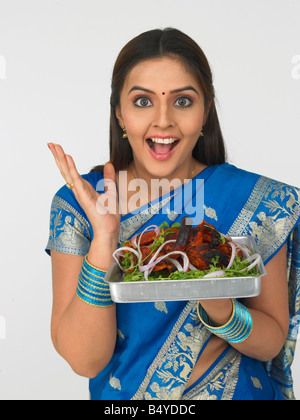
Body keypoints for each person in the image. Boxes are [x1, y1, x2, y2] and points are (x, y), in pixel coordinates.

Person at [46, 28, 300, 400]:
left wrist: (218, 299)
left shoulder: (258, 201)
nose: (163, 121)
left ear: (205, 112)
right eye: (143, 102)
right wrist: (104, 239)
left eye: (182, 102)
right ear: (119, 113)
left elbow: (271, 344)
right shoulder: (79, 206)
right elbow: (85, 361)